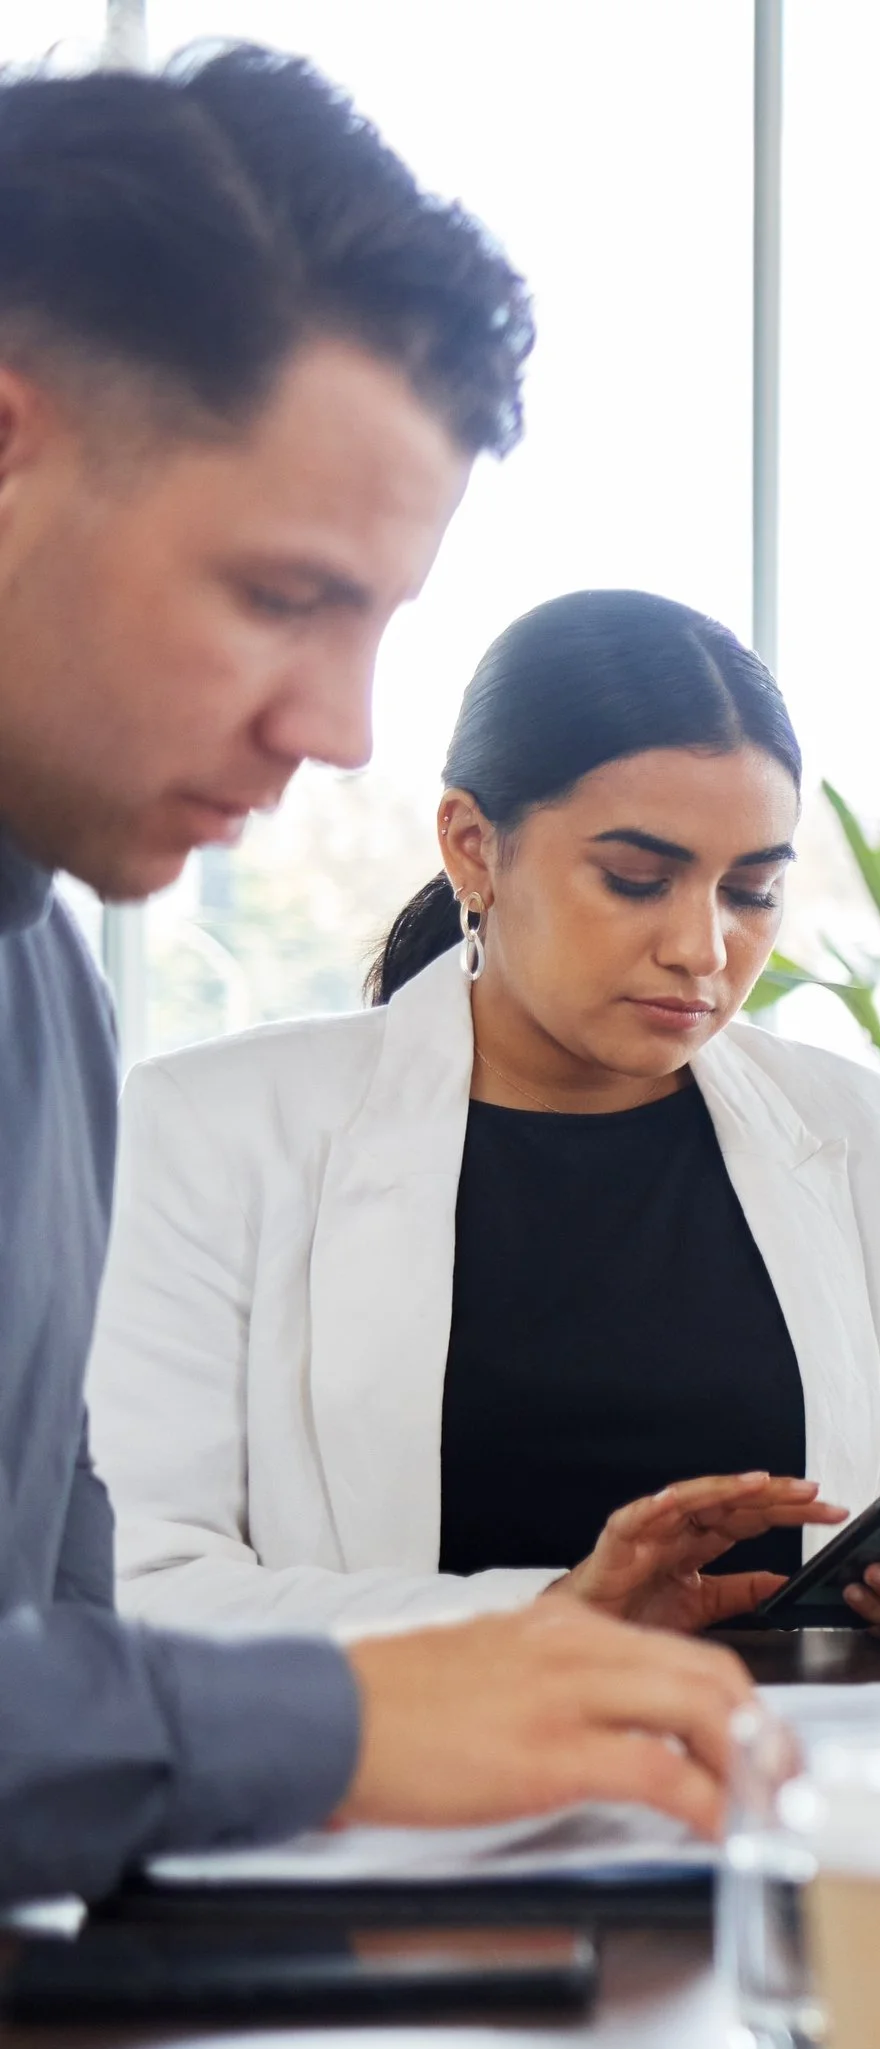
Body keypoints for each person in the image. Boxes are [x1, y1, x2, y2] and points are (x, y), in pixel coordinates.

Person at [0, 44, 759, 1899]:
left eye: (377, 626)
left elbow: (59, 1638)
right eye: (278, 596)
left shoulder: (50, 996)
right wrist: (352, 1723)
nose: (340, 730)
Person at [87, 588, 880, 1647]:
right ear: (473, 846)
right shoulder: (216, 1130)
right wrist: (545, 1615)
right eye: (635, 880)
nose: (703, 950)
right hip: (416, 1790)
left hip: (783, 1786)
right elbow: (139, 1585)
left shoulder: (867, 1136)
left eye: (750, 890)